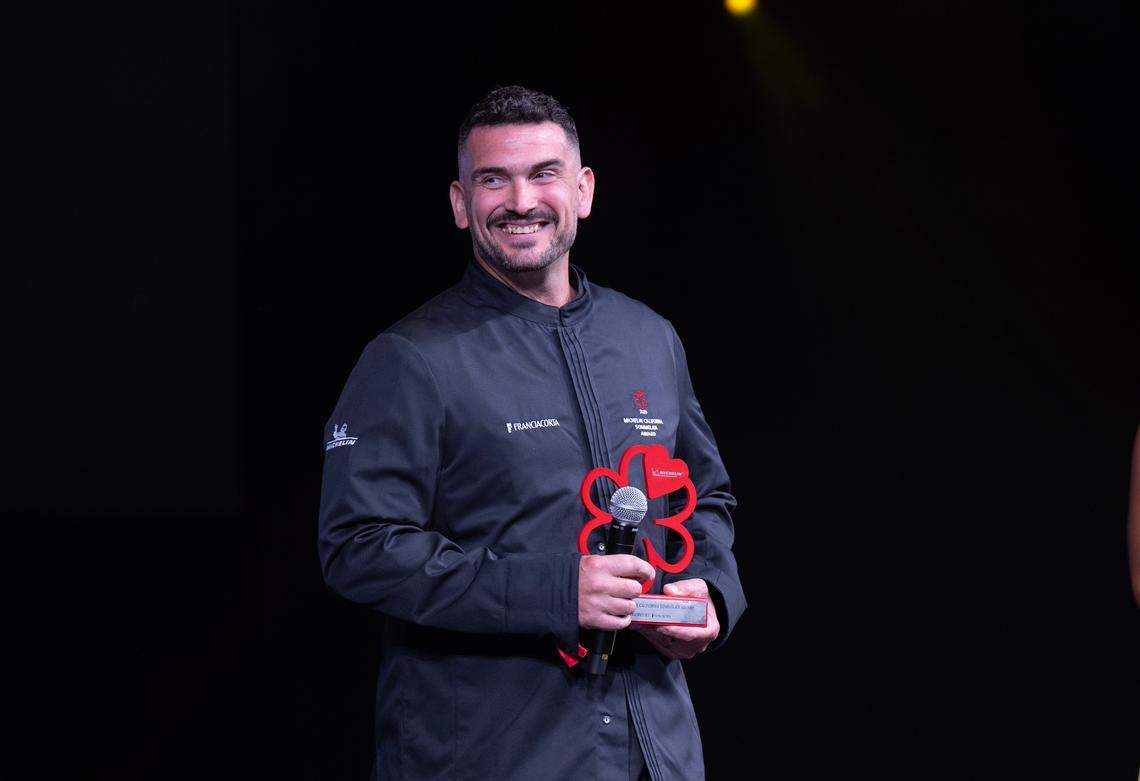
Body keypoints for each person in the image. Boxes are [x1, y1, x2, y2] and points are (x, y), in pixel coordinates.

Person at [318, 85, 746, 780]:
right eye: (494, 179)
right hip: (491, 755)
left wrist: (712, 595)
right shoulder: (411, 359)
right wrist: (553, 592)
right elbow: (357, 546)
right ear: (461, 203)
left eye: (543, 174)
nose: (521, 201)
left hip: (655, 752)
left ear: (583, 190)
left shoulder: (648, 338)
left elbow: (709, 501)